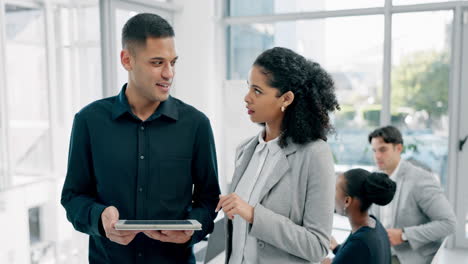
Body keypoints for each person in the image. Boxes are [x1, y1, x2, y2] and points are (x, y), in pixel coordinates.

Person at [61, 13, 220, 263]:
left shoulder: (196, 125)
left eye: (173, 62)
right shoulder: (89, 121)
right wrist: (99, 218)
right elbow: (73, 197)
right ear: (127, 60)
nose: (169, 73)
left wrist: (191, 230)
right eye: (157, 63)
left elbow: (209, 199)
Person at [216, 47, 340, 264]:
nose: (247, 98)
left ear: (286, 98)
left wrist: (254, 215)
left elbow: (318, 246)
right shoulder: (246, 150)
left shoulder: (315, 155)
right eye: (248, 88)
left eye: (257, 91)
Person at [368, 125, 456, 264]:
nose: (377, 156)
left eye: (383, 149)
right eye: (374, 151)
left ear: (399, 148)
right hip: (381, 252)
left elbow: (449, 223)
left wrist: (404, 235)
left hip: (409, 258)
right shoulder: (376, 176)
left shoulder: (420, 179)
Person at [322, 169, 396, 264]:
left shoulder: (359, 242)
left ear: (347, 201)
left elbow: (357, 250)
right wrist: (336, 248)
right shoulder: (375, 225)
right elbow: (357, 257)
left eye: (336, 189)